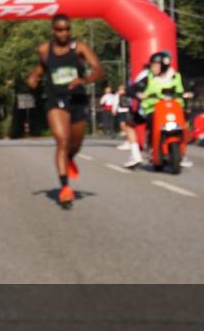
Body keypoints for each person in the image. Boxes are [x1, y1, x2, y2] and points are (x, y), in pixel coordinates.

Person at [26, 13, 103, 208]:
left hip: (77, 99)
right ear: (53, 31)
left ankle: (69, 158)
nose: (64, 33)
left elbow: (98, 69)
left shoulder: (79, 48)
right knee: (63, 140)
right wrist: (32, 79)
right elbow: (40, 70)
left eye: (67, 29)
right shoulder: (44, 50)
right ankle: (65, 188)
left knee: (75, 144)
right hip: (55, 100)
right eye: (60, 30)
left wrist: (84, 80)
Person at [136, 51, 193, 168]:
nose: (153, 68)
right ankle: (152, 147)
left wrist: (190, 93)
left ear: (163, 65)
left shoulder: (177, 77)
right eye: (152, 65)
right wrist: (139, 94)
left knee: (185, 125)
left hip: (175, 109)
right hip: (154, 109)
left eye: (155, 65)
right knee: (152, 123)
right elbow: (133, 89)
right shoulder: (148, 78)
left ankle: (183, 152)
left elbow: (191, 87)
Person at [114, 85, 132, 151]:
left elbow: (130, 102)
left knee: (127, 125)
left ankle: (128, 139)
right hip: (120, 110)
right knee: (122, 124)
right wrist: (114, 110)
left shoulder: (128, 93)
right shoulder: (117, 95)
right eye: (120, 89)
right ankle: (126, 136)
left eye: (122, 89)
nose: (121, 90)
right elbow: (115, 102)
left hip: (127, 110)